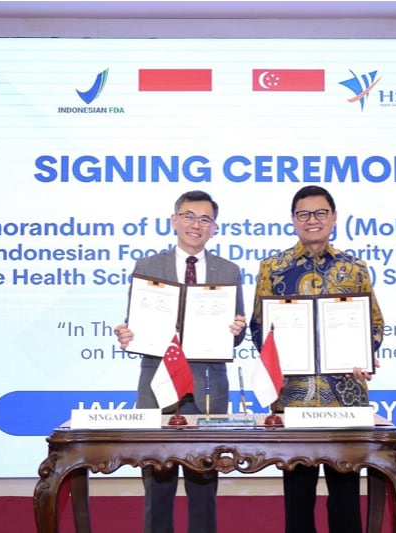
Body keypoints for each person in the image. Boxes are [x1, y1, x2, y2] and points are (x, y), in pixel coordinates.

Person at [250, 185, 384, 533]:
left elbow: (374, 324)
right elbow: (258, 326)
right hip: (294, 397)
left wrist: (365, 354)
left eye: (321, 213)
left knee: (345, 491)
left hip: (345, 397)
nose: (313, 220)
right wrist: (275, 356)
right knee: (298, 493)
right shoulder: (272, 268)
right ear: (293, 220)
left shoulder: (354, 268)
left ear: (334, 218)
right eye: (304, 214)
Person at [115, 190, 246, 533]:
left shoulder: (229, 271)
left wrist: (237, 329)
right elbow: (136, 324)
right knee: (157, 479)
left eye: (205, 219)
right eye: (188, 216)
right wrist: (127, 334)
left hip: (207, 384)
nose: (195, 224)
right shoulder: (147, 267)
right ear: (174, 220)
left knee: (204, 480)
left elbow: (238, 333)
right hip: (157, 382)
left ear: (214, 228)